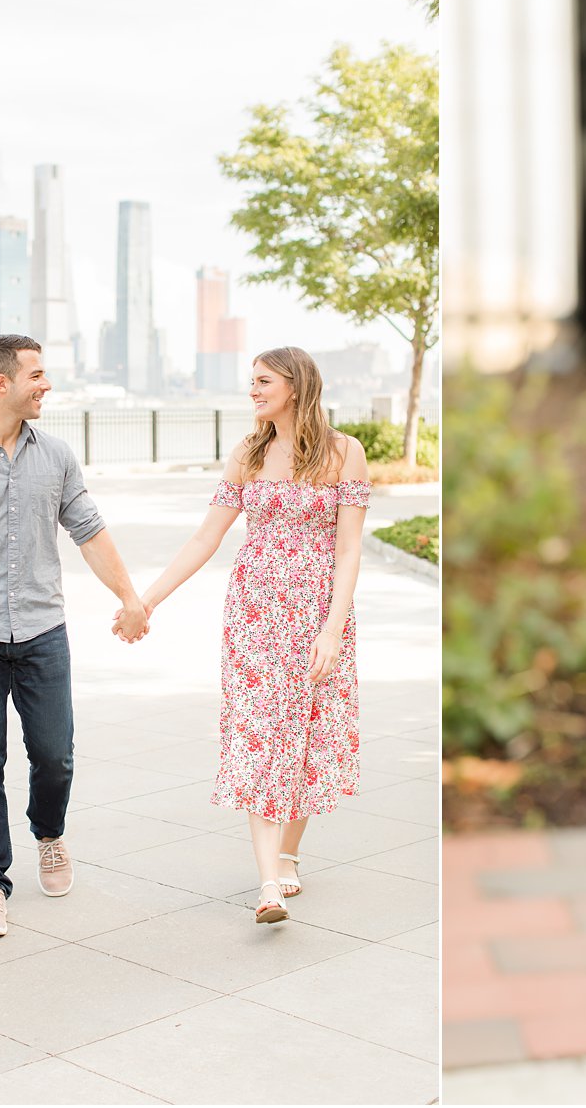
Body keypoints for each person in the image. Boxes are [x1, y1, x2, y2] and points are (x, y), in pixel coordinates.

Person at [0, 334, 149, 938]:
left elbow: (89, 531)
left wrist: (129, 597)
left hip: (44, 630)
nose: (46, 385)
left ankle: (49, 833)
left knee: (54, 755)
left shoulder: (58, 455)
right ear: (2, 383)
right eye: (37, 375)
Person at [132, 346, 370, 923]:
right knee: (260, 736)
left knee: (305, 737)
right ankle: (267, 885)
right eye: (252, 382)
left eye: (263, 381)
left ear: (296, 385)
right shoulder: (248, 453)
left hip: (317, 615)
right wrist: (146, 600)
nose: (253, 391)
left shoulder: (345, 453)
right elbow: (204, 539)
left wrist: (333, 629)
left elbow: (348, 548)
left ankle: (288, 854)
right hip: (255, 617)